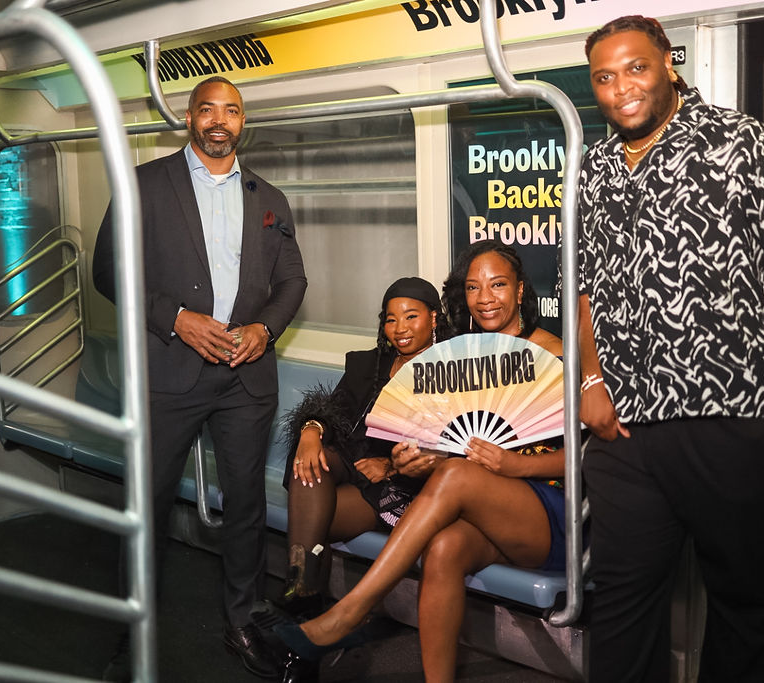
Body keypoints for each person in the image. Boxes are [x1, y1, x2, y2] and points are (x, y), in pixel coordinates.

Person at [576, 16, 764, 683]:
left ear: (669, 64)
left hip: (730, 420)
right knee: (617, 605)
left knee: (743, 612)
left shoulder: (740, 141)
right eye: (605, 76)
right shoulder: (594, 169)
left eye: (636, 68)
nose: (621, 89)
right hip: (625, 434)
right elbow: (586, 282)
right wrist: (591, 379)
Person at [92, 75, 306, 680]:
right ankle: (132, 633)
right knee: (148, 507)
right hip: (170, 372)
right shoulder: (143, 184)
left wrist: (265, 330)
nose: (220, 120)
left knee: (245, 507)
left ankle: (242, 621)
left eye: (231, 111)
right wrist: (177, 319)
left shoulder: (270, 199)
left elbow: (293, 282)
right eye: (208, 109)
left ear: (243, 122)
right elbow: (108, 272)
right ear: (189, 117)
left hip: (245, 376)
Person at [275, 240, 566, 683]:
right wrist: (418, 462)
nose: (485, 298)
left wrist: (513, 465)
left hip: (546, 510)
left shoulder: (554, 352)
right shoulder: (460, 359)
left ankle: (348, 613)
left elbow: (588, 458)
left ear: (521, 290)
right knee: (443, 549)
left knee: (453, 474)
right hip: (477, 505)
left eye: (498, 285)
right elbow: (453, 444)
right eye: (473, 288)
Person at [279, 277, 450, 615]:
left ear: (434, 318)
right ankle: (306, 602)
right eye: (390, 319)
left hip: (398, 488)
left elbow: (449, 446)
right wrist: (310, 430)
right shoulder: (367, 365)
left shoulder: (451, 371)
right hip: (349, 464)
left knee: (312, 524)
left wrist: (390, 466)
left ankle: (304, 610)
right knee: (314, 464)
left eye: (411, 316)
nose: (399, 328)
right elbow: (333, 413)